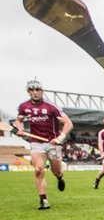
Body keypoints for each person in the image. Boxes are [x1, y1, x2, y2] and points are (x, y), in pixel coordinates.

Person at [15, 80, 73, 210]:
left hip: (53, 142)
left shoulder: (51, 107)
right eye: (32, 90)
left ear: (42, 91)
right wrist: (19, 129)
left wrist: (60, 138)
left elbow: (68, 123)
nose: (35, 93)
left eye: (37, 90)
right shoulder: (24, 106)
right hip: (36, 143)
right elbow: (18, 120)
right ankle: (43, 200)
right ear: (29, 92)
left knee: (57, 171)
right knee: (38, 169)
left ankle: (60, 178)